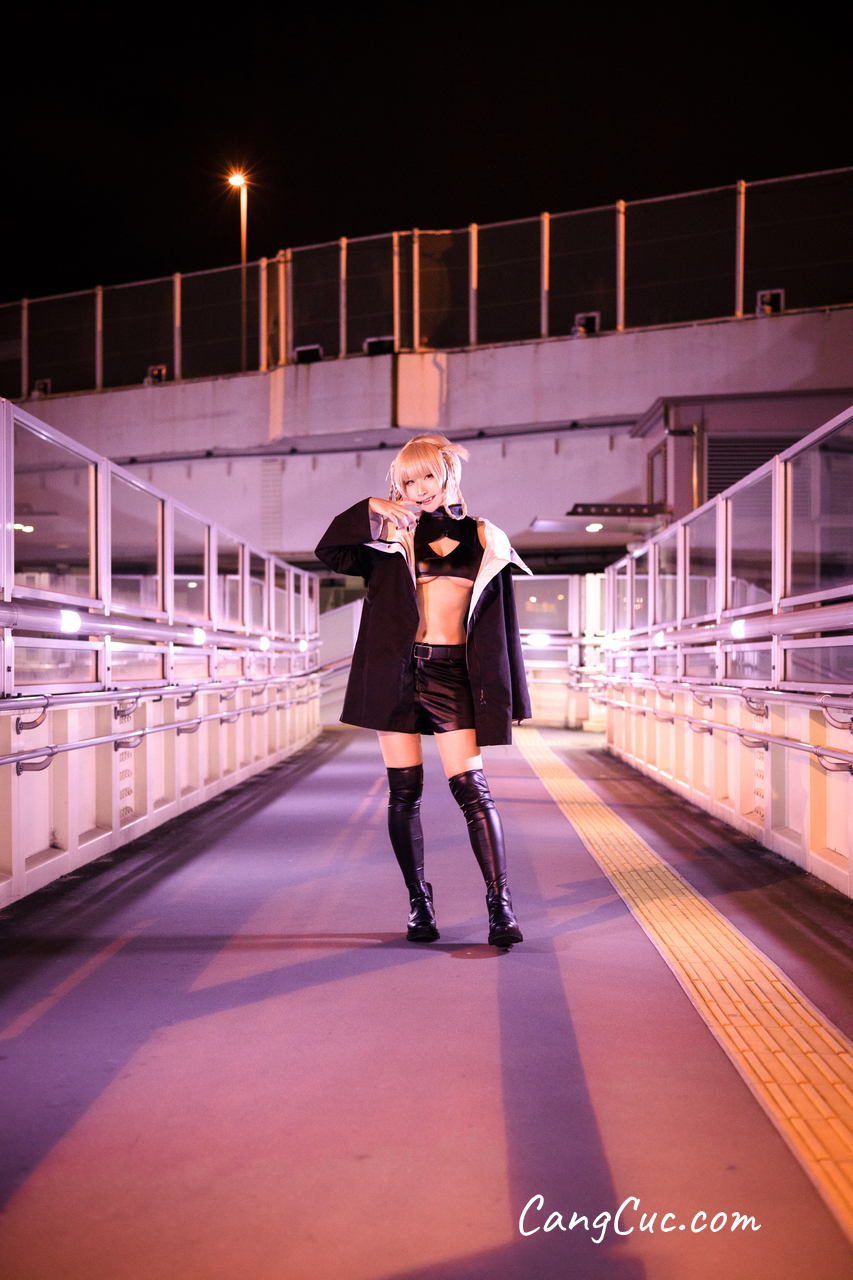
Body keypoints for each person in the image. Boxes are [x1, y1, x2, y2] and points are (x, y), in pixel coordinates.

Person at [315, 433, 532, 947]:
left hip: (453, 676)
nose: (419, 489)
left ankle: (500, 904)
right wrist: (373, 507)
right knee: (403, 793)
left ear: (448, 474)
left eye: (428, 476)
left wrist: (510, 696)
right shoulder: (391, 538)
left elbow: (502, 625)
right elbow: (330, 550)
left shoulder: (484, 536)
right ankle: (419, 902)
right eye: (407, 482)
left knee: (472, 790)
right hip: (398, 675)